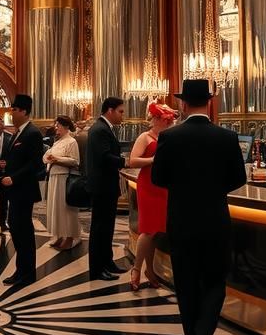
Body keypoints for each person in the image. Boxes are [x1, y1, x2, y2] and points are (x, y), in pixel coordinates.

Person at [151, 79, 247, 335]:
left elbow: (158, 178)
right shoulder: (227, 137)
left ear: (182, 104)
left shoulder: (170, 137)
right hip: (216, 220)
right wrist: (213, 190)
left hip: (181, 221)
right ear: (209, 102)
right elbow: (239, 178)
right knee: (216, 281)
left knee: (187, 287)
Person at [129, 102, 177, 291]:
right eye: (166, 120)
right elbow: (133, 161)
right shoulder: (145, 137)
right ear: (156, 119)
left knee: (155, 231)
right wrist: (153, 160)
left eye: (170, 121)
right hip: (148, 185)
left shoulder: (168, 138)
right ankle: (136, 269)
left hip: (163, 186)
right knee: (148, 230)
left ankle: (150, 270)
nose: (169, 123)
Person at [0, 94, 44, 286]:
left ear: (24, 111)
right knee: (16, 228)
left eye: (15, 110)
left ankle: (27, 273)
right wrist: (5, 165)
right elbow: (19, 159)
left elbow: (35, 163)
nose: (12, 113)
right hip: (16, 191)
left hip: (24, 190)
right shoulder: (18, 133)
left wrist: (14, 177)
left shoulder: (32, 133)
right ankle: (21, 270)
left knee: (23, 231)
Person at [85, 97, 128, 281]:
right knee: (100, 228)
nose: (122, 115)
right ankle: (97, 269)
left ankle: (107, 262)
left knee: (107, 227)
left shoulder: (104, 128)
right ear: (110, 110)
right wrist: (125, 161)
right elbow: (104, 157)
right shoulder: (100, 129)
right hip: (102, 186)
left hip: (107, 185)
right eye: (120, 111)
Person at [45, 115, 81, 250]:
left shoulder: (72, 141)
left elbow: (75, 161)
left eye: (58, 125)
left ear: (66, 126)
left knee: (66, 209)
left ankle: (70, 237)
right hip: (54, 176)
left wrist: (57, 159)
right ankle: (59, 235)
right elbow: (46, 156)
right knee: (56, 208)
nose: (56, 127)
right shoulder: (57, 142)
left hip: (64, 178)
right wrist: (49, 158)